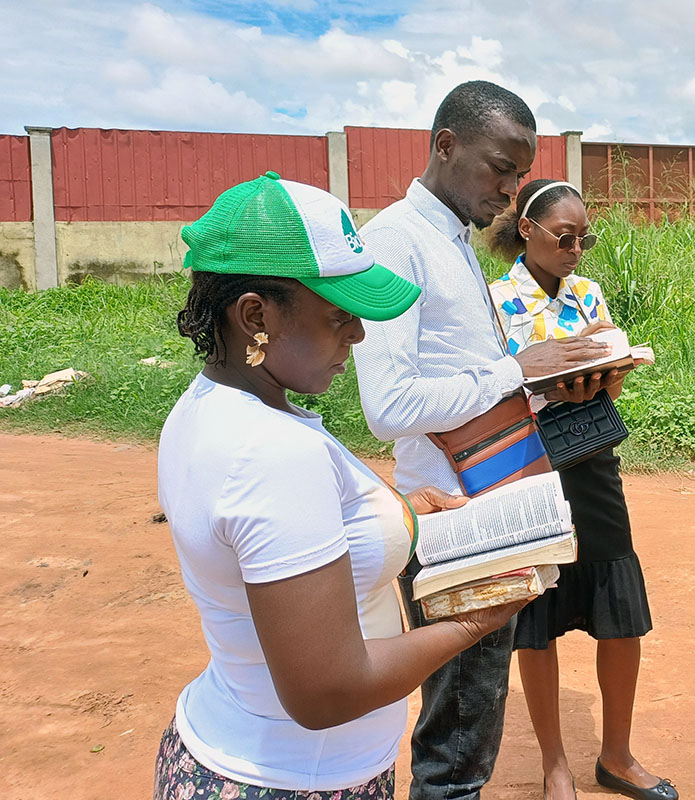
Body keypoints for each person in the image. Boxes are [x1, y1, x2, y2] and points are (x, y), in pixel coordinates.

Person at [154, 171, 528, 800]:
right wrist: (477, 622)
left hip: (235, 751)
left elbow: (270, 542)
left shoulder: (206, 409)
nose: (357, 334)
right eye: (338, 317)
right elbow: (328, 691)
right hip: (294, 781)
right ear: (256, 316)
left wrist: (399, 515)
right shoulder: (273, 452)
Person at [352, 82, 610, 800]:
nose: (510, 189)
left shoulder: (452, 242)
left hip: (493, 503)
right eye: (501, 167)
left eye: (520, 173)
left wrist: (552, 383)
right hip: (449, 520)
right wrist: (513, 370)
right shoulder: (396, 241)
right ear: (446, 145)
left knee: (472, 727)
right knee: (455, 743)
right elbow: (389, 404)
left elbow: (471, 381)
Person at [485, 178, 678, 800]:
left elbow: (610, 377)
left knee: (619, 603)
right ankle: (555, 767)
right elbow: (487, 390)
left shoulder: (587, 294)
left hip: (591, 456)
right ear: (527, 231)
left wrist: (601, 381)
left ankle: (616, 757)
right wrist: (543, 387)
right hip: (526, 462)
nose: (575, 250)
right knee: (536, 610)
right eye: (564, 238)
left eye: (583, 239)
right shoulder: (492, 302)